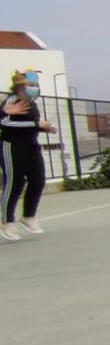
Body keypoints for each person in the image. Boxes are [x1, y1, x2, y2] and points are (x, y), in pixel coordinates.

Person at [1, 73, 56, 239]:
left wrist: (43, 128)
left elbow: (29, 125)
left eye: (35, 85)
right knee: (14, 184)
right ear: (19, 87)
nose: (33, 88)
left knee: (38, 180)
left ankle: (28, 216)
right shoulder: (11, 100)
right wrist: (36, 124)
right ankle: (7, 222)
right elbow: (4, 122)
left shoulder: (32, 104)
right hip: (11, 146)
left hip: (31, 146)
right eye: (29, 85)